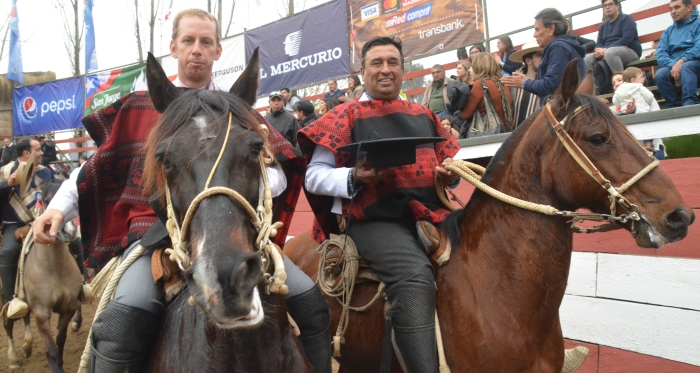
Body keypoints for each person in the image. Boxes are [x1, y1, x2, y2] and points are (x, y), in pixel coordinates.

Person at [32, 9, 331, 373]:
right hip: (156, 235)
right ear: (173, 47)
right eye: (188, 41)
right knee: (124, 319)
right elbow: (95, 168)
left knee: (310, 302)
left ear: (218, 51)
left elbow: (279, 174)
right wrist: (58, 209)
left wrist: (252, 170)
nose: (197, 50)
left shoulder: (237, 110)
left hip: (234, 230)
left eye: (206, 42)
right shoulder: (141, 106)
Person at [298, 36, 461, 373]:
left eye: (393, 63)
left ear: (403, 70)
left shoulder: (425, 113)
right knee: (413, 276)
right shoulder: (344, 115)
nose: (385, 70)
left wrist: (449, 177)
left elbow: (450, 170)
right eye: (377, 63)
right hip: (372, 220)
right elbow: (314, 177)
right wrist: (355, 178)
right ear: (363, 70)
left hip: (433, 213)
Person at [0, 138, 52, 308]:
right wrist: (7, 184)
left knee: (73, 237)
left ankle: (81, 285)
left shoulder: (45, 171)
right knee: (8, 250)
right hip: (15, 223)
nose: (42, 153)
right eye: (38, 150)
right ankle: (10, 301)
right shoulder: (5, 171)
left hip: (43, 218)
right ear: (26, 153)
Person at [502, 8, 586, 103]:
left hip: (566, 112)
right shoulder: (563, 46)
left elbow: (552, 86)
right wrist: (525, 81)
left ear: (551, 29)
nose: (534, 35)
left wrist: (525, 83)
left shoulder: (558, 47)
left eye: (537, 29)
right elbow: (551, 89)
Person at [655, 0, 700, 108]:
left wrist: (681, 62)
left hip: (695, 63)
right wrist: (674, 65)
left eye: (677, 7)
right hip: (674, 65)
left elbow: (698, 48)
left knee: (686, 67)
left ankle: (689, 103)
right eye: (671, 9)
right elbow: (661, 54)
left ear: (689, 8)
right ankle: (674, 107)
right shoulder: (668, 31)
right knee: (660, 75)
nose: (673, 12)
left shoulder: (698, 24)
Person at [459, 53, 513, 135]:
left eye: (472, 66)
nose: (469, 70)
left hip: (489, 136)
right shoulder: (503, 83)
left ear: (479, 67)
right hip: (506, 133)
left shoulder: (480, 84)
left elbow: (466, 114)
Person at [508, 41, 544, 127]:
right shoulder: (513, 83)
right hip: (517, 134)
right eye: (540, 55)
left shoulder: (547, 82)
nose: (544, 58)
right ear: (528, 61)